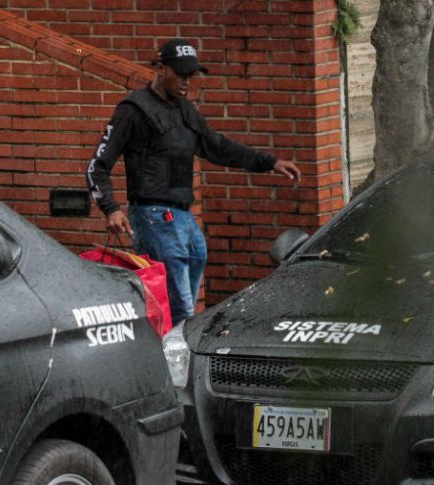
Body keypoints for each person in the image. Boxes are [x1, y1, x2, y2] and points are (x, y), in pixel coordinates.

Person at [86, 38, 301, 326]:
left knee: (183, 304)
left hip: (185, 219)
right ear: (161, 69)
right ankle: (178, 366)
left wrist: (270, 162)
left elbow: (218, 147)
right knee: (182, 309)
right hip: (153, 217)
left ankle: (174, 356)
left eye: (191, 75)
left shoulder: (184, 109)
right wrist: (111, 207)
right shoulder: (133, 110)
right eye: (181, 74)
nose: (187, 81)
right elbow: (97, 167)